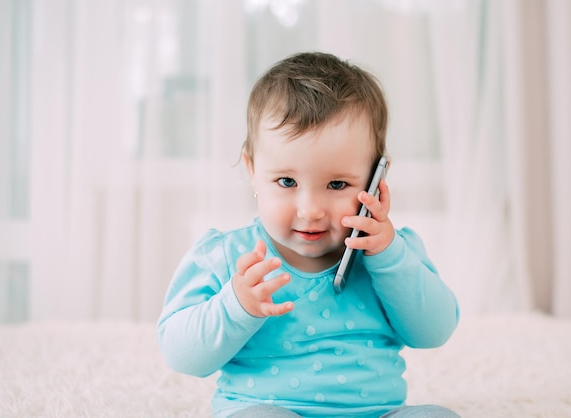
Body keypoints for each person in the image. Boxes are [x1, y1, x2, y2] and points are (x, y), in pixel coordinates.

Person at [157, 52, 460, 418]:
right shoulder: (228, 254)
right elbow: (178, 352)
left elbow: (435, 332)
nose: (311, 209)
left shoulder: (393, 252)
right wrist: (234, 307)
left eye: (337, 184)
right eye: (287, 181)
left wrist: (389, 257)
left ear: (376, 179)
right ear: (252, 170)